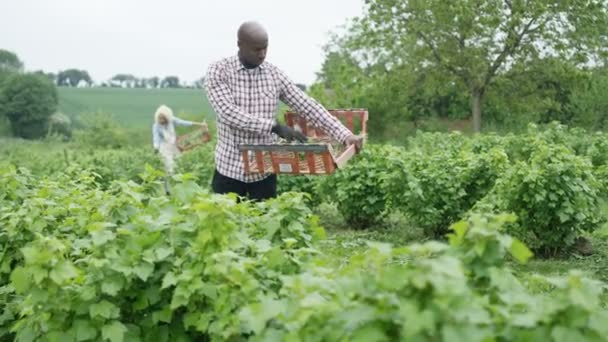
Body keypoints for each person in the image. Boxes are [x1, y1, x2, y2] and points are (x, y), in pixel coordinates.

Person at [204, 21, 364, 201]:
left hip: (264, 172)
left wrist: (345, 135)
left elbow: (307, 105)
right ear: (240, 45)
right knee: (225, 226)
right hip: (229, 171)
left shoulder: (274, 75)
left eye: (265, 48)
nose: (262, 54)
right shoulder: (219, 71)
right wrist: (274, 127)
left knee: (265, 226)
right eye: (256, 49)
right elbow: (228, 113)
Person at [152, 104, 207, 176]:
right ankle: (170, 180)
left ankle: (179, 179)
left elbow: (183, 122)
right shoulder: (156, 126)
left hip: (174, 145)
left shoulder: (172, 120)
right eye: (160, 118)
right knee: (169, 165)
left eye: (163, 118)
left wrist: (200, 124)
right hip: (164, 147)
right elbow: (156, 138)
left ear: (167, 117)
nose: (162, 120)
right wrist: (156, 147)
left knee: (179, 162)